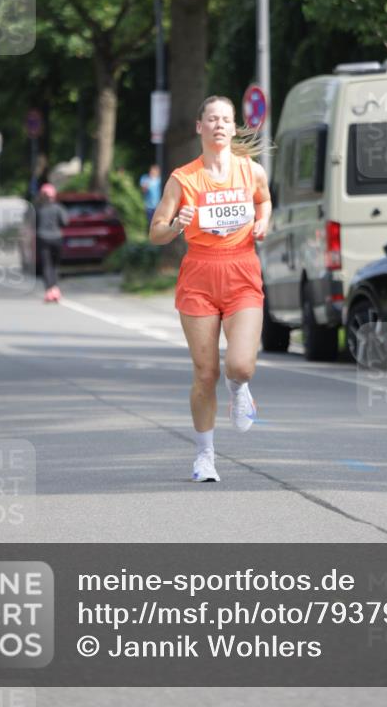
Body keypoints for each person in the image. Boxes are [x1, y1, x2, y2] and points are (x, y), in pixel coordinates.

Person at [149, 96, 271, 483]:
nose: (219, 124)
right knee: (205, 373)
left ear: (234, 128)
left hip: (242, 271)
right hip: (199, 275)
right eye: (212, 119)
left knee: (240, 365)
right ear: (199, 127)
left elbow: (265, 201)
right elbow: (155, 232)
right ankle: (205, 456)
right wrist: (176, 225)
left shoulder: (251, 171)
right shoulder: (183, 179)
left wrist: (263, 222)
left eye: (225, 119)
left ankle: (239, 387)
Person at [35, 183, 68, 302]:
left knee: (46, 265)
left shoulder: (38, 209)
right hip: (57, 238)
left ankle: (49, 291)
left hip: (43, 239)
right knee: (54, 265)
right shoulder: (59, 208)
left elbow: (34, 224)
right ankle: (55, 289)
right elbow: (65, 222)